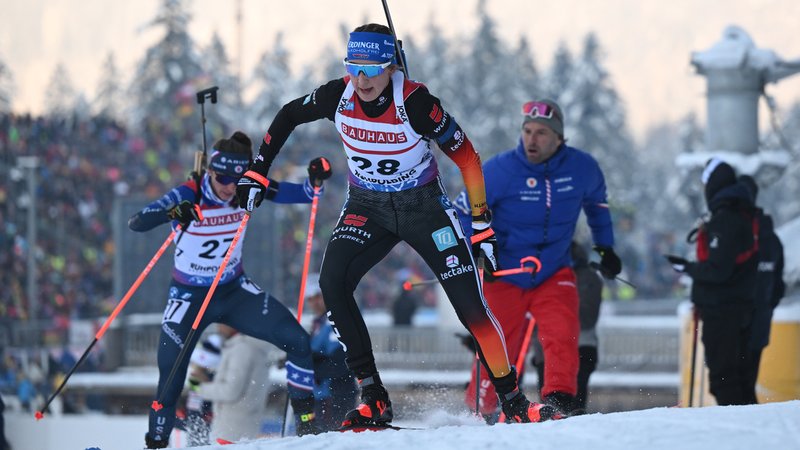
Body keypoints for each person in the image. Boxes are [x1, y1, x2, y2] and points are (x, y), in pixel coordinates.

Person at [235, 23, 557, 425]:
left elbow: (468, 158)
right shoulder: (338, 95)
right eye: (353, 67)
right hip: (367, 206)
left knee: (469, 306)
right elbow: (288, 115)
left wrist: (481, 224)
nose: (361, 79)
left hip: (424, 208)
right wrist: (258, 170)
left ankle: (513, 401)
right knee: (332, 283)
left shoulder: (417, 102)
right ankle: (374, 396)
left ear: (391, 66)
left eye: (372, 68)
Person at [129, 131, 331, 448]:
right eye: (223, 178)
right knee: (170, 375)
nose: (230, 187)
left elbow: (305, 194)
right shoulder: (190, 192)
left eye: (237, 179)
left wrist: (315, 180)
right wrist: (173, 212)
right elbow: (137, 222)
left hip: (233, 291)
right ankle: (156, 442)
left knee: (297, 340)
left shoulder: (249, 188)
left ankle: (307, 427)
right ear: (210, 171)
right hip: (189, 296)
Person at [455, 98, 621, 418]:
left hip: (553, 269)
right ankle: (480, 410)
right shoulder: (500, 169)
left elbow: (598, 208)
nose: (532, 139)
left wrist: (606, 249)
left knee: (562, 332)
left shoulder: (582, 168)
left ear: (559, 137)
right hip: (504, 272)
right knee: (497, 345)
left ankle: (559, 401)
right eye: (527, 131)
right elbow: (463, 210)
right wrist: (477, 245)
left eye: (542, 133)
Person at [664, 158, 758, 405]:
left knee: (724, 378)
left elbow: (719, 270)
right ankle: (747, 423)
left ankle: (737, 426)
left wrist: (688, 268)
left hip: (723, 310)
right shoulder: (739, 214)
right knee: (737, 378)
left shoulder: (725, 219)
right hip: (736, 306)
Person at [530, 241, 604, 415]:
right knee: (551, 404)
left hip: (579, 347)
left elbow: (587, 317)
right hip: (547, 351)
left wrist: (556, 318)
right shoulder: (542, 276)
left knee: (571, 402)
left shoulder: (586, 278)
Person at [738, 174, 785, 404]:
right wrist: (765, 306)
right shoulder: (772, 240)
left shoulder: (739, 233)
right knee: (749, 378)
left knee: (733, 383)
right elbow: (778, 285)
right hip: (761, 320)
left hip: (737, 320)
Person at [191, 323, 277, 443]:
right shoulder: (244, 347)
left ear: (233, 323)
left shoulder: (242, 349)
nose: (218, 328)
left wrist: (201, 387)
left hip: (232, 429)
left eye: (222, 323)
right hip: (237, 425)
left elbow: (230, 391)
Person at [305, 273, 358, 431]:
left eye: (318, 296)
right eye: (310, 299)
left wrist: (309, 363)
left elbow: (340, 363)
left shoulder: (335, 321)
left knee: (333, 438)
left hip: (335, 395)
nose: (315, 302)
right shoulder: (318, 323)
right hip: (321, 396)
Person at [177, 333, 222, 446]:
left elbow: (212, 396)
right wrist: (185, 410)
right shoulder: (196, 377)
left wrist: (208, 414)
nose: (193, 366)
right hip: (195, 420)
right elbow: (194, 397)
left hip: (206, 422)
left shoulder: (211, 377)